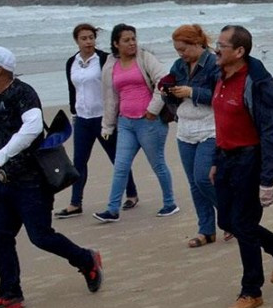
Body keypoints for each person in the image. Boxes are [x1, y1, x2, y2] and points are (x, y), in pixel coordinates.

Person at [0, 46, 103, 308]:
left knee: (41, 236)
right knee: (0, 236)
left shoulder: (23, 93)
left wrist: (1, 157)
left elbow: (32, 128)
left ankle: (86, 259)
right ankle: (10, 293)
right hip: (3, 183)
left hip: (31, 181)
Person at [210, 25, 273, 308]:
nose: (216, 49)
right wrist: (216, 158)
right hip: (225, 158)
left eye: (222, 46)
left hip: (250, 160)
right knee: (227, 220)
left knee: (244, 224)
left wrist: (267, 179)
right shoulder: (220, 75)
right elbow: (222, 121)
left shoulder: (258, 83)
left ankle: (251, 291)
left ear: (239, 51)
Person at [92, 24, 179, 222]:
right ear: (116, 44)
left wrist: (152, 109)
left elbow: (164, 83)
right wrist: (108, 125)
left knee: (157, 164)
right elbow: (110, 97)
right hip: (125, 123)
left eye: (133, 39)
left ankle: (170, 203)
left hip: (149, 122)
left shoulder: (144, 57)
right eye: (126, 40)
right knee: (120, 166)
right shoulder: (110, 64)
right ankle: (112, 209)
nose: (132, 43)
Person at [55, 23, 138, 219]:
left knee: (117, 158)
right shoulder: (71, 62)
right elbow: (72, 88)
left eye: (91, 37)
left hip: (103, 118)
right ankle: (76, 203)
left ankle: (132, 194)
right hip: (82, 118)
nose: (88, 42)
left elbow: (115, 85)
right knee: (79, 161)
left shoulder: (104, 59)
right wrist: (73, 109)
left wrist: (116, 113)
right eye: (84, 38)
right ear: (76, 41)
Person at [167, 24, 221, 248]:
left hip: (209, 127)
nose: (181, 54)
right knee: (193, 183)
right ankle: (206, 230)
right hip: (185, 128)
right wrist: (168, 92)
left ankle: (233, 215)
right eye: (178, 50)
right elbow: (169, 93)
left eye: (184, 49)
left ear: (198, 44)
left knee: (203, 178)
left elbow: (219, 95)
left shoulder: (212, 63)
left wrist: (192, 92)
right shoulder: (178, 66)